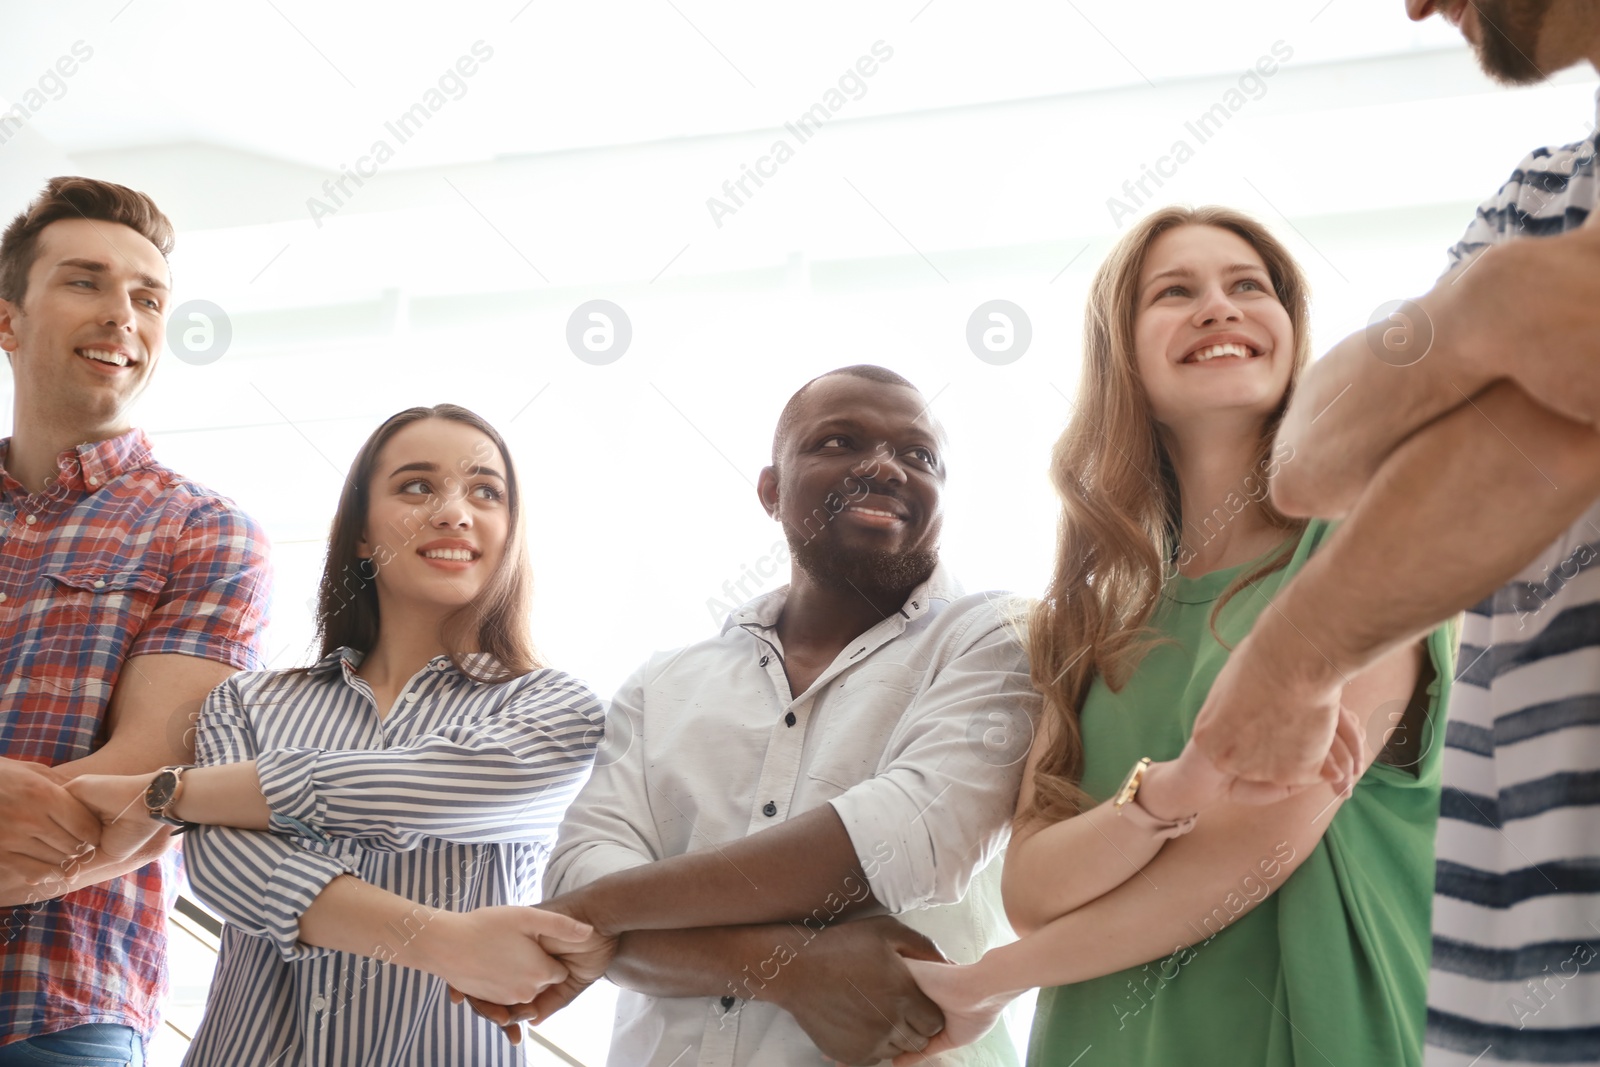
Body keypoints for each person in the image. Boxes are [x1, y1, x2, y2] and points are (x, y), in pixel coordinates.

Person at [893, 208, 1456, 1066]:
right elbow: (1034, 887)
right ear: (1124, 357)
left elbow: (1257, 849)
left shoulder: (1371, 541)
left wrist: (992, 978)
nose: (1219, 308)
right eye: (1176, 292)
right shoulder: (1087, 620)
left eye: (1247, 287)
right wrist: (1180, 786)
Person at [1186, 3, 1600, 1064]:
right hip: (1516, 974)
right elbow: (1313, 453)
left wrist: (1288, 661)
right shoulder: (1536, 196)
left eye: (1246, 286)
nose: (1412, 5)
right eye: (1174, 292)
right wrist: (1491, 310)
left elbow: (1538, 446)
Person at [464, 365, 1039, 1066]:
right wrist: (794, 966)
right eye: (839, 441)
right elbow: (580, 877)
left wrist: (589, 918)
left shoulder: (997, 634)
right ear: (771, 490)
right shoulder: (663, 682)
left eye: (919, 456)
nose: (884, 466)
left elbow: (908, 838)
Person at [67, 405, 602, 1066]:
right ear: (360, 534)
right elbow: (222, 864)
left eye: (485, 491)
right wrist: (443, 940)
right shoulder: (248, 699)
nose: (454, 511)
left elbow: (414, 792)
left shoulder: (557, 707)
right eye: (416, 485)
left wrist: (171, 790)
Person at [0, 177, 271, 1066]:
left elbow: (149, 780)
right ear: (8, 319)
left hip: (56, 1007)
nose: (123, 313)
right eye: (85, 281)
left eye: (147, 297)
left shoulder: (206, 531)